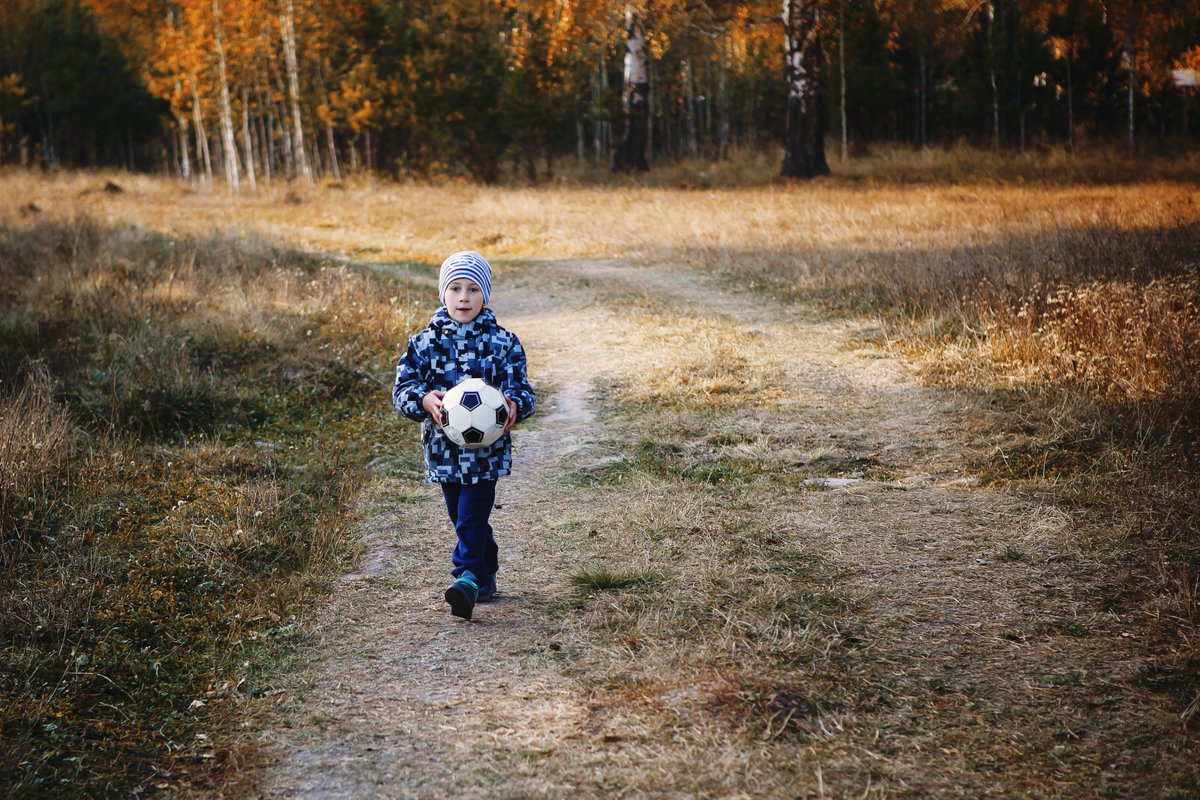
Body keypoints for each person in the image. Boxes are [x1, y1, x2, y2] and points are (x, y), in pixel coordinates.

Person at [392, 251, 536, 620]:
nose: (464, 297)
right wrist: (423, 399)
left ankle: (467, 578)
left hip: (487, 452)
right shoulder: (424, 343)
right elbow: (403, 390)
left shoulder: (503, 342)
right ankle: (485, 569)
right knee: (462, 517)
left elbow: (523, 390)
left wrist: (515, 403)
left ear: (485, 295)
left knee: (471, 515)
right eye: (455, 288)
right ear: (443, 293)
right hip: (443, 451)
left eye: (473, 289)